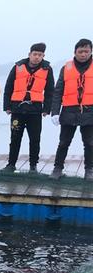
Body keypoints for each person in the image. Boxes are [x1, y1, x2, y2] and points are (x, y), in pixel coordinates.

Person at [1, 42, 54, 173]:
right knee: (15, 138)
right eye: (35, 54)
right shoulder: (17, 67)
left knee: (35, 139)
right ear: (29, 54)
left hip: (35, 111)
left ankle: (33, 166)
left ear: (43, 56)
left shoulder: (47, 69)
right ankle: (11, 165)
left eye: (40, 55)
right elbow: (8, 87)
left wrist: (47, 109)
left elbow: (50, 91)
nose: (37, 57)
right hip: (17, 109)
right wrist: (7, 106)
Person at [49, 38, 93, 180]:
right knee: (63, 142)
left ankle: (89, 170)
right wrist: (54, 112)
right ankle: (57, 168)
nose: (83, 54)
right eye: (80, 51)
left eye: (86, 51)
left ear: (91, 51)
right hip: (69, 111)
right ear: (75, 52)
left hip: (89, 111)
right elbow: (58, 92)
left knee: (90, 143)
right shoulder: (66, 68)